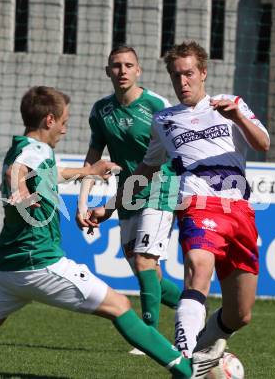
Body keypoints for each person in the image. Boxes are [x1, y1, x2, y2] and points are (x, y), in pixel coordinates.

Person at [0, 86, 193, 379]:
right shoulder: (31, 152)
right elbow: (16, 170)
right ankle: (184, 370)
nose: (64, 129)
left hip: (8, 270)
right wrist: (19, 191)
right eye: (63, 122)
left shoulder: (29, 148)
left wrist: (88, 171)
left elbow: (49, 172)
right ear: (49, 120)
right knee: (120, 306)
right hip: (40, 263)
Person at [87, 41, 270, 375]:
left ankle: (203, 351)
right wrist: (110, 207)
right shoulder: (165, 120)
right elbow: (145, 170)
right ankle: (183, 361)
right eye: (176, 75)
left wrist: (239, 118)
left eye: (188, 74)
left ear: (202, 73)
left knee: (240, 314)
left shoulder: (231, 105)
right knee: (198, 268)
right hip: (196, 204)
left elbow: (263, 143)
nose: (182, 82)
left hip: (240, 209)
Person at [76, 46, 182, 346]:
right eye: (116, 65)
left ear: (139, 71)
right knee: (147, 272)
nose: (122, 70)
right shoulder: (101, 111)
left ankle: (149, 338)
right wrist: (83, 204)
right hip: (127, 194)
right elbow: (93, 159)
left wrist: (107, 207)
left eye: (128, 65)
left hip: (161, 188)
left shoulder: (156, 105)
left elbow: (168, 155)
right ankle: (193, 304)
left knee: (145, 261)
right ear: (108, 70)